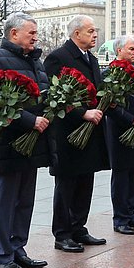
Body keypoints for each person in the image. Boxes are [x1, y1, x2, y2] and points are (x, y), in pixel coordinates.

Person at [0, 12, 50, 268]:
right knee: (6, 202)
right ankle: (2, 256)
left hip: (31, 142)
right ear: (14, 33)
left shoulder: (36, 61)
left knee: (25, 201)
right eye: (31, 33)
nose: (35, 37)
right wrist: (31, 120)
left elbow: (42, 95)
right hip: (6, 143)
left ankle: (18, 248)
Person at [43, 15, 110, 253]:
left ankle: (78, 227)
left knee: (85, 182)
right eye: (90, 31)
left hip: (90, 132)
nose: (95, 35)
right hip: (68, 133)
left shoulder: (91, 58)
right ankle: (62, 234)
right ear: (76, 33)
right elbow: (53, 96)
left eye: (95, 31)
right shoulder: (59, 57)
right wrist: (82, 113)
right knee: (67, 185)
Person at [103, 36, 134, 236]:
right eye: (131, 49)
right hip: (119, 132)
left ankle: (132, 215)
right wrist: (131, 119)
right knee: (122, 177)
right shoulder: (109, 74)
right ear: (119, 50)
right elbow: (109, 106)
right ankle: (120, 218)